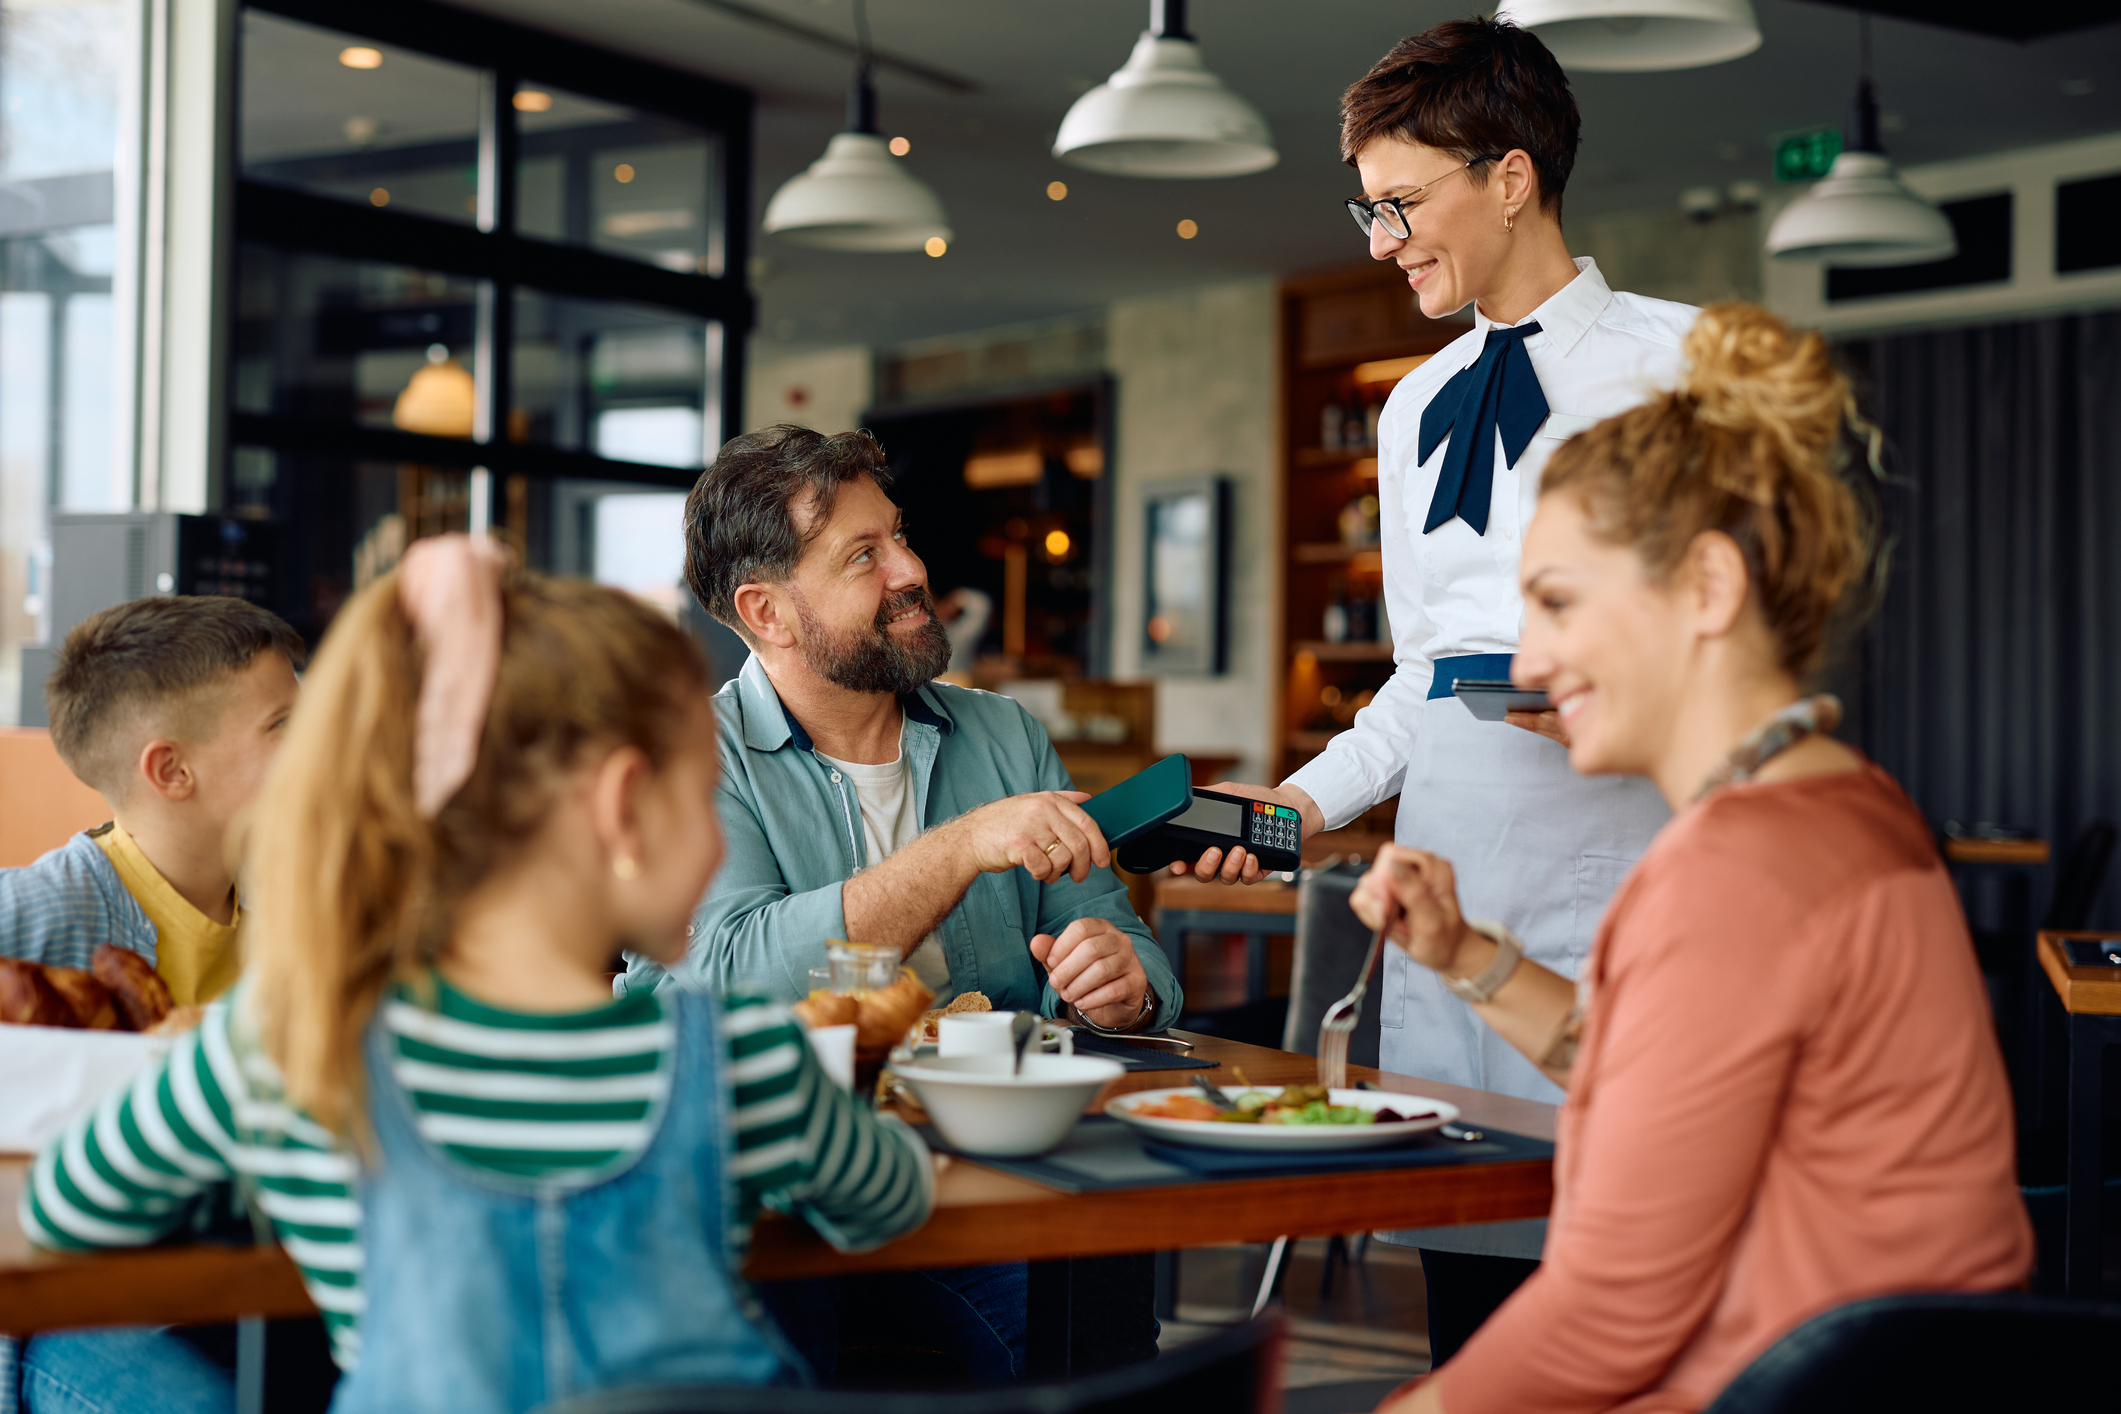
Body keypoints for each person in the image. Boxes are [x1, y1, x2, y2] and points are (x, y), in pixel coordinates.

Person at [20, 539, 933, 1414]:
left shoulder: (279, 1050)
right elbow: (891, 1202)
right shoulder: (748, 1061)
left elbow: (70, 1208)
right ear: (622, 809)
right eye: (702, 799)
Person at [1352, 303, 2033, 1413]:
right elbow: (1640, 1065)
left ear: (1709, 589)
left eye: (1558, 603)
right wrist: (1467, 952)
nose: (1530, 656)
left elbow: (1609, 1320)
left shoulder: (1731, 873)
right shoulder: (1847, 803)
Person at [1172, 17, 1690, 1346]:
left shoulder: (1680, 364)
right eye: (1368, 204)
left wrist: (1585, 675)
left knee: (1625, 1295)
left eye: (1399, 201)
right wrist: (1293, 804)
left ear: (1509, 177)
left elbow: (1733, 638)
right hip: (1449, 900)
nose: (1377, 237)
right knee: (1470, 1308)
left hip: (1618, 883)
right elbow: (1416, 675)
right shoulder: (1413, 409)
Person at [619, 423, 1181, 1381]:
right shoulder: (689, 758)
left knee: (1102, 1285)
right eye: (863, 556)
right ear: (768, 612)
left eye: (901, 536)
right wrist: (960, 847)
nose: (912, 569)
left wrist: (1122, 982)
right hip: (782, 1195)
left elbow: (1124, 941)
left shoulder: (1001, 734)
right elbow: (721, 974)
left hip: (997, 1171)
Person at [0, 595, 303, 1001]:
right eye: (281, 723)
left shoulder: (293, 901)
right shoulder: (41, 910)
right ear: (172, 771)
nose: (316, 740)